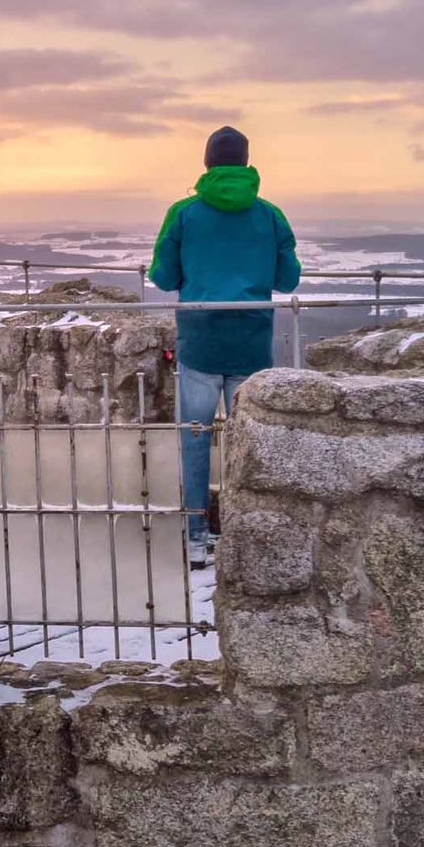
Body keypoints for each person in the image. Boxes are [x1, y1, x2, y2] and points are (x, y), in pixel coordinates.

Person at [148, 125, 301, 565]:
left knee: (194, 439)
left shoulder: (184, 212)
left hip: (198, 340)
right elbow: (287, 279)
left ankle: (196, 536)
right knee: (248, 440)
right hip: (251, 340)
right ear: (247, 162)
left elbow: (163, 277)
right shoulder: (270, 215)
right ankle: (244, 530)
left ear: (207, 163)